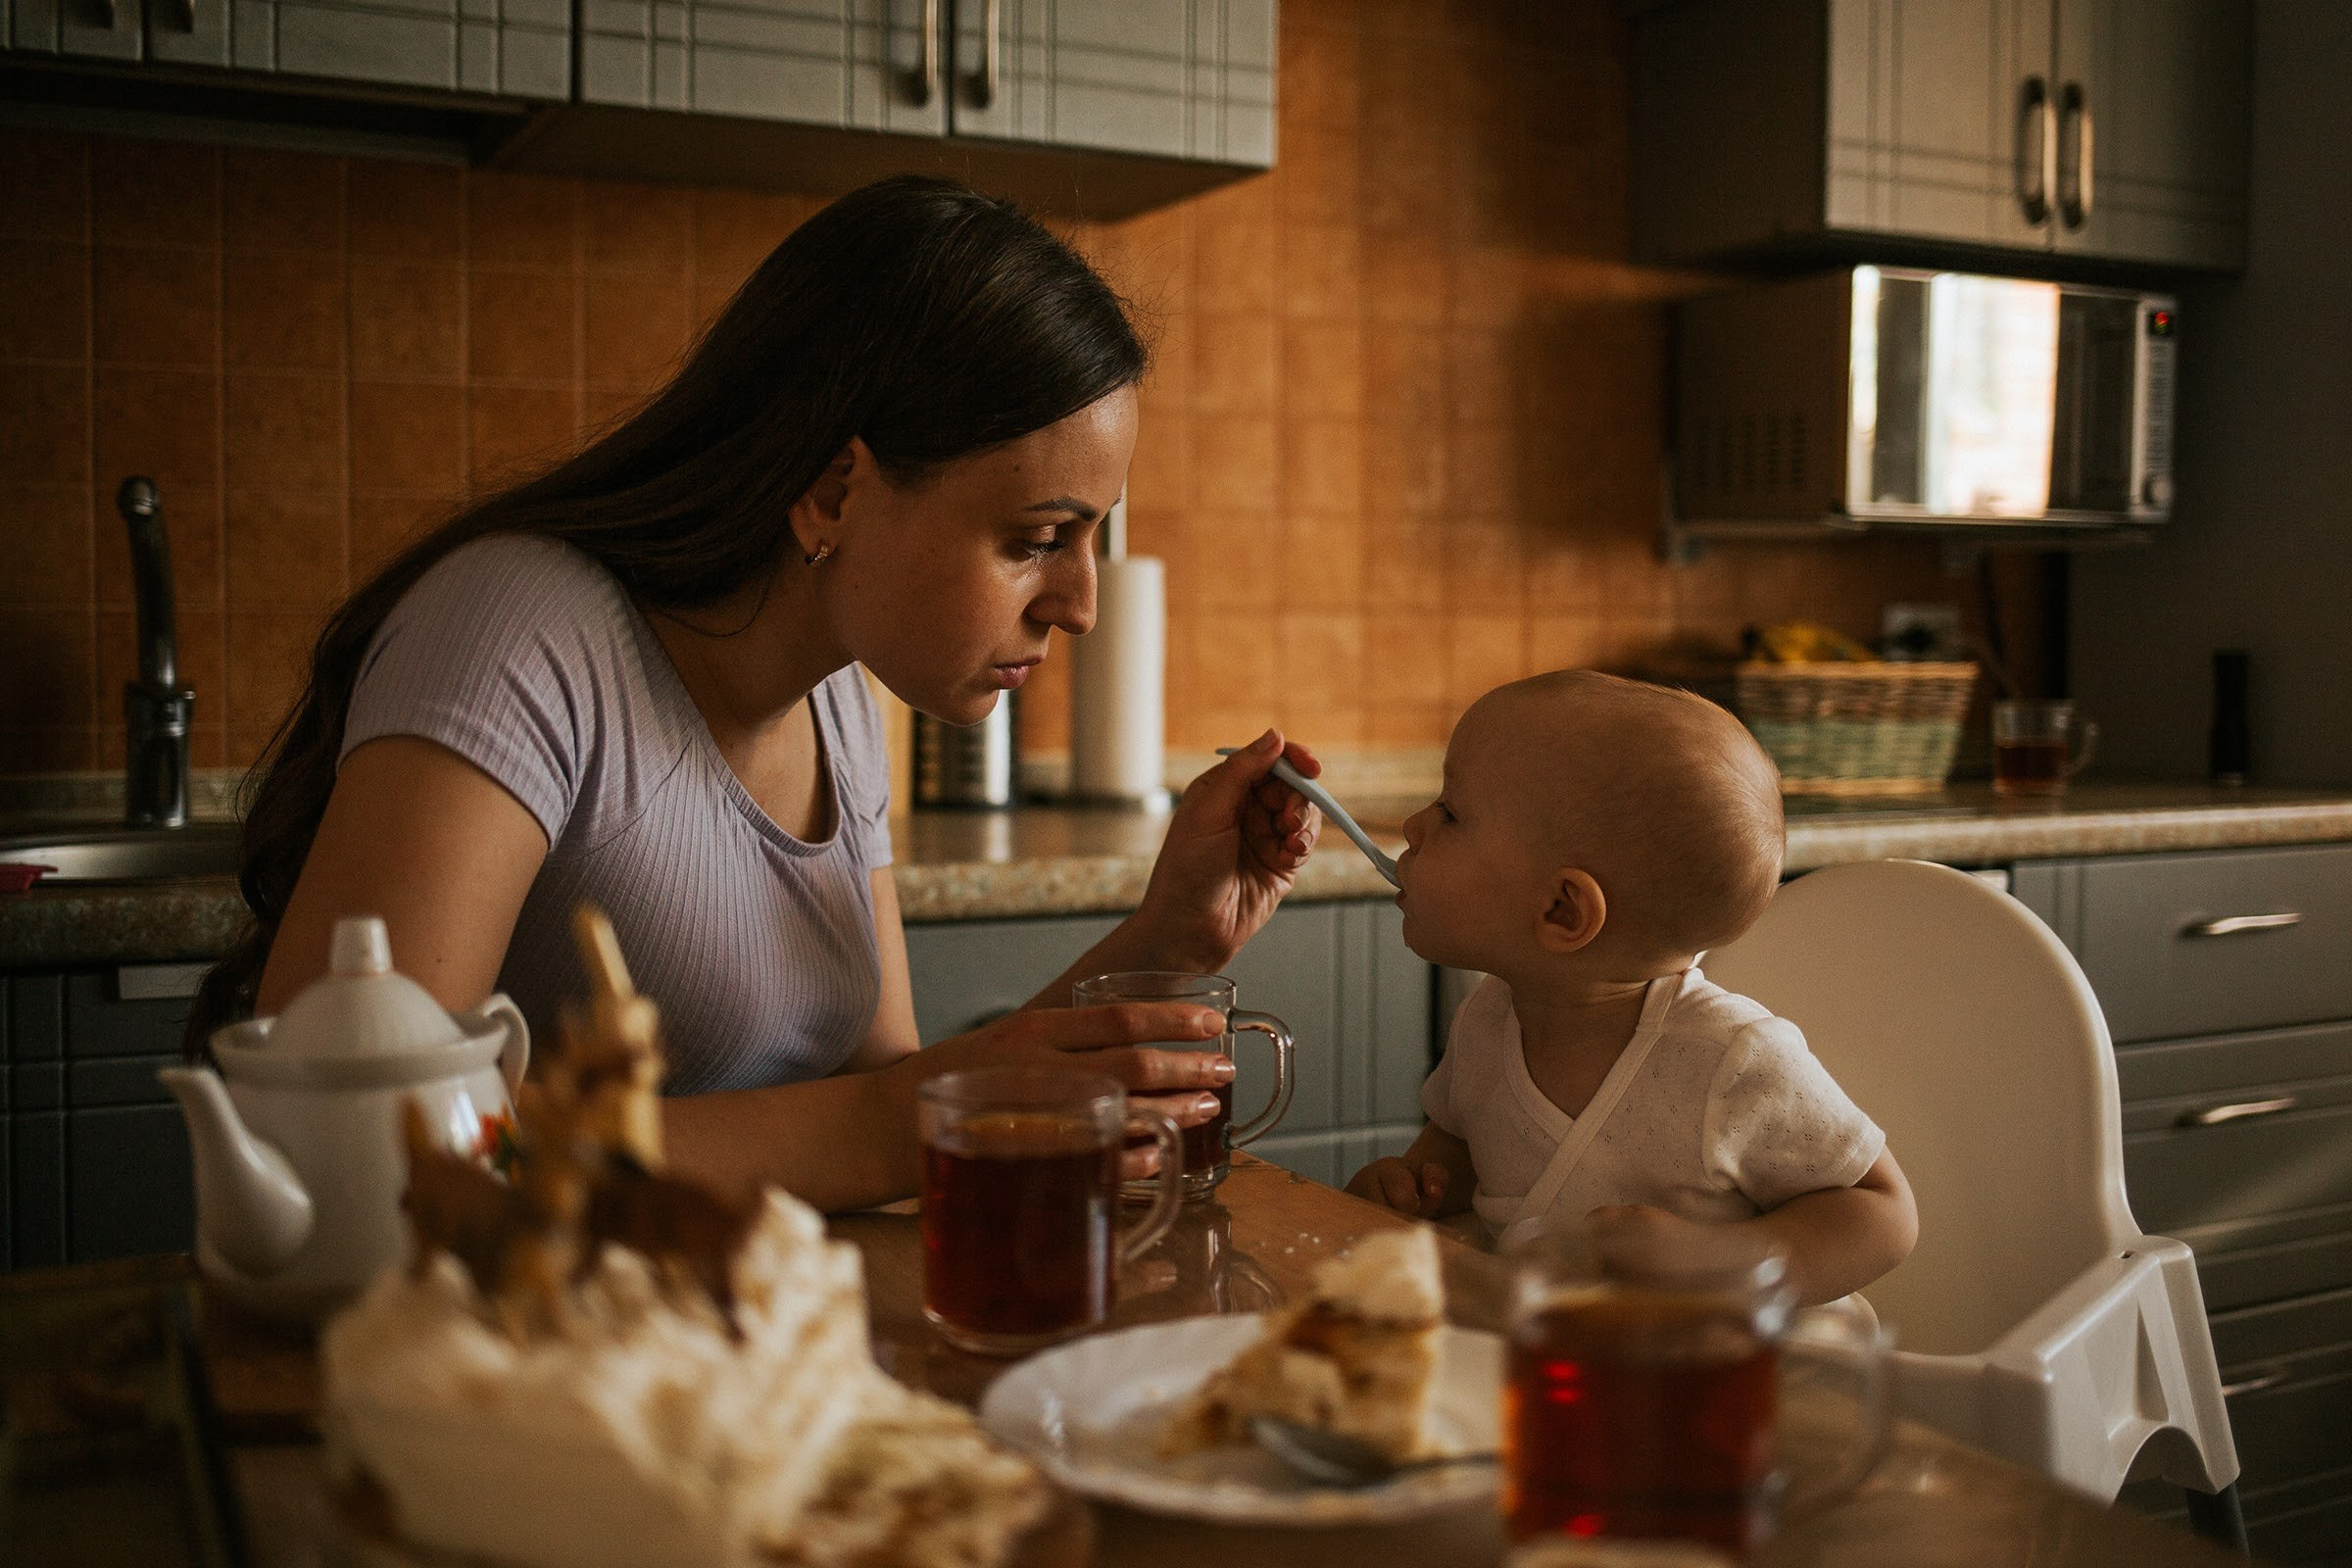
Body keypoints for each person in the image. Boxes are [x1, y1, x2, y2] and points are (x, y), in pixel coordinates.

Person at [190, 175, 1324, 1213]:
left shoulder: (839, 697)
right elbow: (351, 1142)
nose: (1078, 603)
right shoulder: (517, 632)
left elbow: (889, 1105)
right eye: (1037, 539)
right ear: (837, 489)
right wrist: (886, 1124)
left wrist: (1166, 936)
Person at [1345, 671, 1917, 1306]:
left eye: (1449, 813)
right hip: (1572, 1364)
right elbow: (1466, 1146)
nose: (1413, 825)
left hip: (1737, 1379)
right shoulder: (1488, 1016)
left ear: (1563, 910)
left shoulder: (1731, 1057)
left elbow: (1883, 1214)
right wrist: (1412, 1186)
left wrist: (1716, 1259)